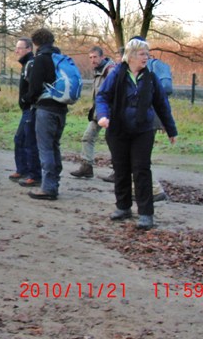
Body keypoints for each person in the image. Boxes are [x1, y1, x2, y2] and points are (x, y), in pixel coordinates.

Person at [96, 38, 178, 230]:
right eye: (142, 54)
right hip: (118, 129)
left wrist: (171, 129)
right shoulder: (116, 74)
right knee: (121, 169)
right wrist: (103, 116)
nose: (146, 58)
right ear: (131, 56)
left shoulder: (151, 77)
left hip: (143, 130)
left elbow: (162, 104)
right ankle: (123, 207)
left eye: (147, 54)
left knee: (141, 169)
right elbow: (102, 97)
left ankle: (146, 214)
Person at [26, 28, 68, 200]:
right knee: (54, 146)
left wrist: (27, 98)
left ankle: (48, 187)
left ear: (36, 43)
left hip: (45, 109)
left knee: (45, 148)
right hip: (61, 108)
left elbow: (34, 87)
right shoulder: (59, 59)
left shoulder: (41, 59)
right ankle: (54, 183)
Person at [70, 46, 115, 178]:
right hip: (98, 113)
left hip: (110, 113)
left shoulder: (110, 71)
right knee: (87, 137)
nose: (92, 60)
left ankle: (118, 171)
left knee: (114, 142)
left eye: (95, 57)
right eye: (90, 57)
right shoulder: (98, 71)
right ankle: (87, 167)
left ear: (102, 57)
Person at [9, 38, 41, 186]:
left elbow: (34, 88)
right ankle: (22, 170)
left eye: (20, 48)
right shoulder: (26, 64)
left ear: (29, 49)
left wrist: (25, 99)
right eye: (16, 48)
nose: (17, 51)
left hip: (31, 108)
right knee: (21, 139)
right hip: (27, 109)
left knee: (27, 141)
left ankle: (33, 174)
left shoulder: (31, 64)